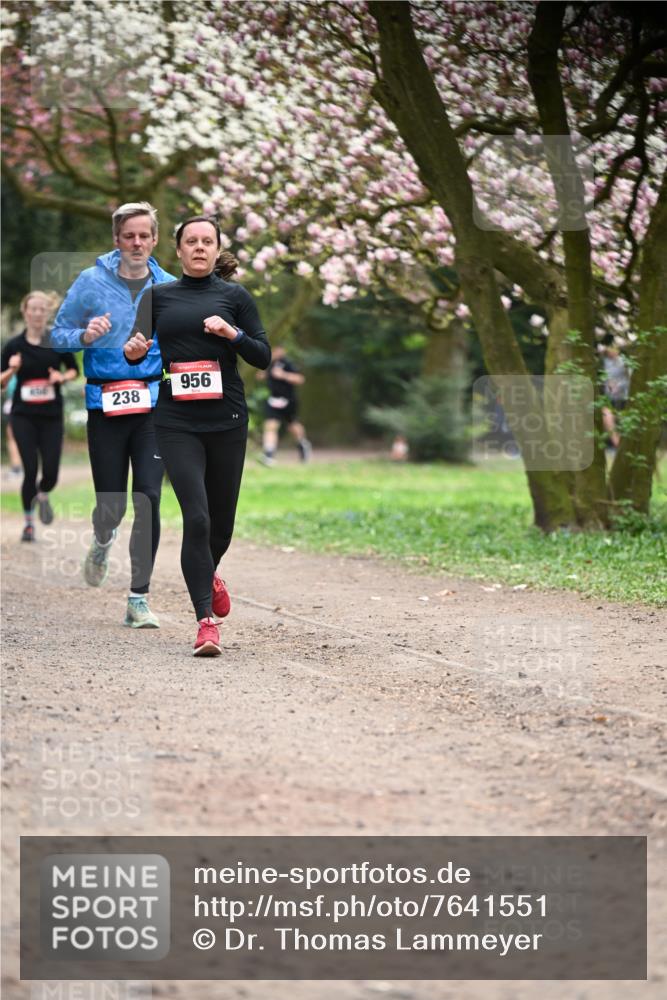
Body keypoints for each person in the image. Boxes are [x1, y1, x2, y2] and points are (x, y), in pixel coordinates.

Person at [123, 216, 271, 656]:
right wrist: (133, 352)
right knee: (198, 518)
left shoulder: (235, 297)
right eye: (192, 241)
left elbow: (261, 355)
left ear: (217, 248)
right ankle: (206, 623)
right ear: (180, 250)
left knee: (221, 527)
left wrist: (234, 333)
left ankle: (209, 573)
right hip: (176, 421)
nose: (200, 248)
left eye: (208, 241)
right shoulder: (157, 297)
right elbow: (137, 349)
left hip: (227, 419)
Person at [50, 202, 175, 628]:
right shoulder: (90, 281)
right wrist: (84, 335)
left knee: (150, 496)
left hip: (153, 406)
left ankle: (138, 599)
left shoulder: (170, 287)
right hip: (105, 404)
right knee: (112, 504)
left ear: (155, 239)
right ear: (116, 239)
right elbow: (56, 334)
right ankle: (103, 539)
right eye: (129, 236)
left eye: (144, 235)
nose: (137, 243)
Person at [0, 291, 79, 541]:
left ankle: (43, 494)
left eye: (41, 309)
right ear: (24, 311)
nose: (36, 313)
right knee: (30, 469)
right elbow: (1, 383)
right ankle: (28, 523)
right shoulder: (13, 346)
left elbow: (74, 370)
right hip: (23, 416)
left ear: (47, 313)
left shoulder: (56, 341)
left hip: (51, 417)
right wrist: (12, 370)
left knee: (52, 473)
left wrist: (61, 377)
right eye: (32, 308)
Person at [258, 344, 311, 465]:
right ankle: (269, 454)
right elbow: (261, 376)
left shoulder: (288, 364)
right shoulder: (269, 364)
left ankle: (303, 444)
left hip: (288, 401)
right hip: (273, 401)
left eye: (277, 350)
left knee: (293, 426)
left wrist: (283, 375)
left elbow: (300, 379)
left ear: (282, 350)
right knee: (270, 425)